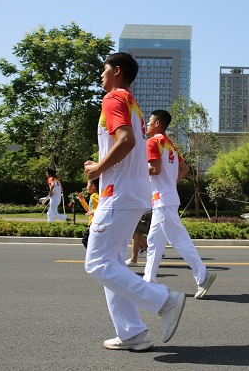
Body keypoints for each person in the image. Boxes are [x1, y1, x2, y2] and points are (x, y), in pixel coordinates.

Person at [83, 52, 185, 351]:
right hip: (130, 192)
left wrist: (98, 168)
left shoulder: (114, 99)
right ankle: (132, 333)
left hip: (119, 193)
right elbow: (124, 143)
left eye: (103, 70)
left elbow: (125, 141)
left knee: (97, 262)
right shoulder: (133, 105)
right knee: (112, 262)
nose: (101, 75)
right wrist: (100, 166)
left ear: (116, 71)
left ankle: (165, 300)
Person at [141, 109, 217, 299]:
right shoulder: (169, 145)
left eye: (149, 122)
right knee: (153, 242)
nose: (147, 125)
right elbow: (183, 169)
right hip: (166, 198)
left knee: (179, 240)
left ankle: (203, 276)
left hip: (162, 200)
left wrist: (135, 170)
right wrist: (170, 183)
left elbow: (155, 169)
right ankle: (148, 282)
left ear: (157, 124)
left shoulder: (152, 142)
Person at [78, 178, 99, 249]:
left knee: (85, 240)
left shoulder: (94, 196)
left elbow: (104, 205)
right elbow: (90, 210)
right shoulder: (93, 196)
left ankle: (94, 255)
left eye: (88, 185)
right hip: (92, 223)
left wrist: (95, 211)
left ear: (93, 186)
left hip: (94, 223)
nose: (86, 187)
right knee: (89, 241)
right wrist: (82, 201)